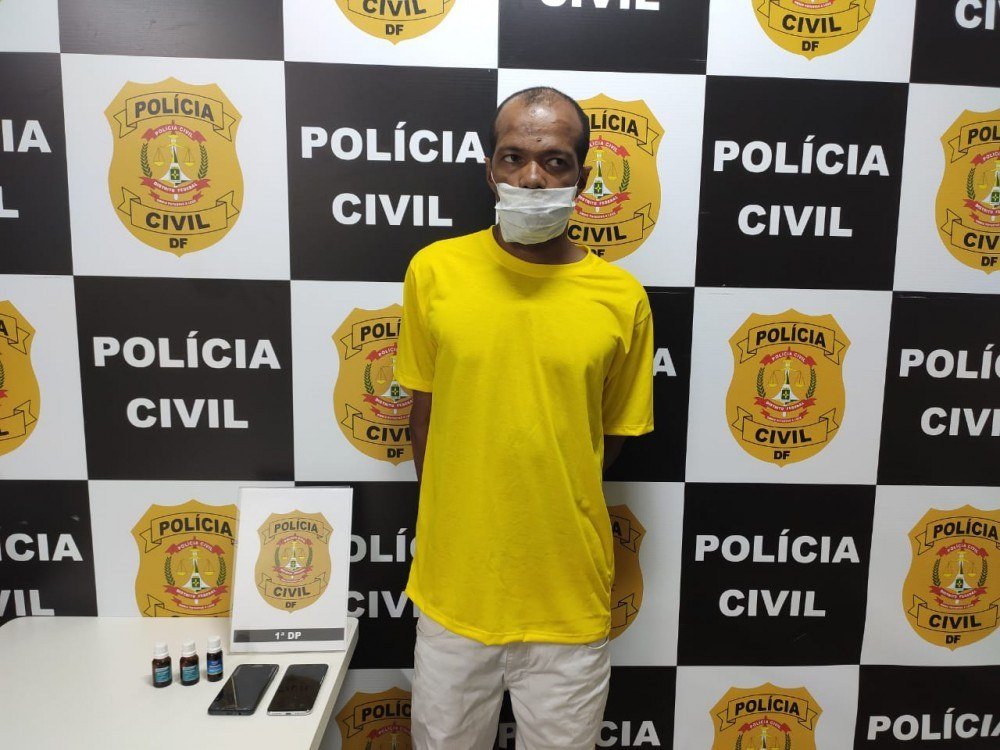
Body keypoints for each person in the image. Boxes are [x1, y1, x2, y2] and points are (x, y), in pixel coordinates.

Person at [395, 85, 654, 750]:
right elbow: (423, 419)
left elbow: (608, 439)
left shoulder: (621, 298)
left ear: (582, 177)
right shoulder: (434, 272)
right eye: (513, 157)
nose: (532, 177)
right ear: (490, 169)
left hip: (567, 596)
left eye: (555, 161)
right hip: (455, 591)